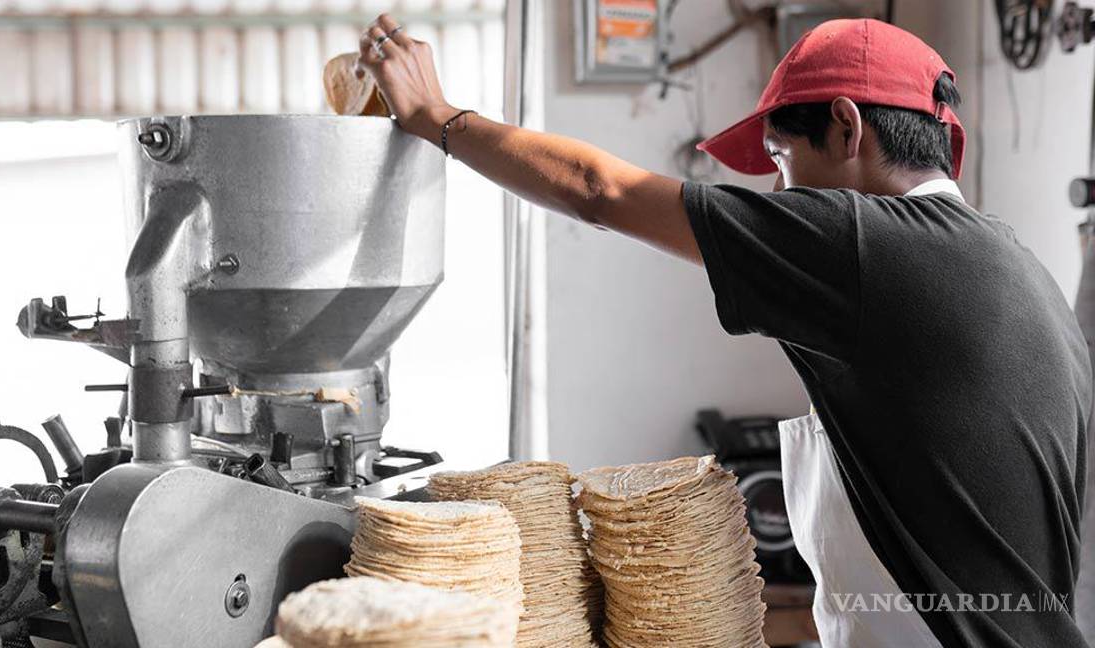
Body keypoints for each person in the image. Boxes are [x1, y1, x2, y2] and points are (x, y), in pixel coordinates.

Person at [357, 15, 1091, 648]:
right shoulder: (1017, 269)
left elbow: (598, 191)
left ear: (846, 127)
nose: (778, 193)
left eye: (781, 160)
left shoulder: (866, 245)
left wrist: (436, 118)